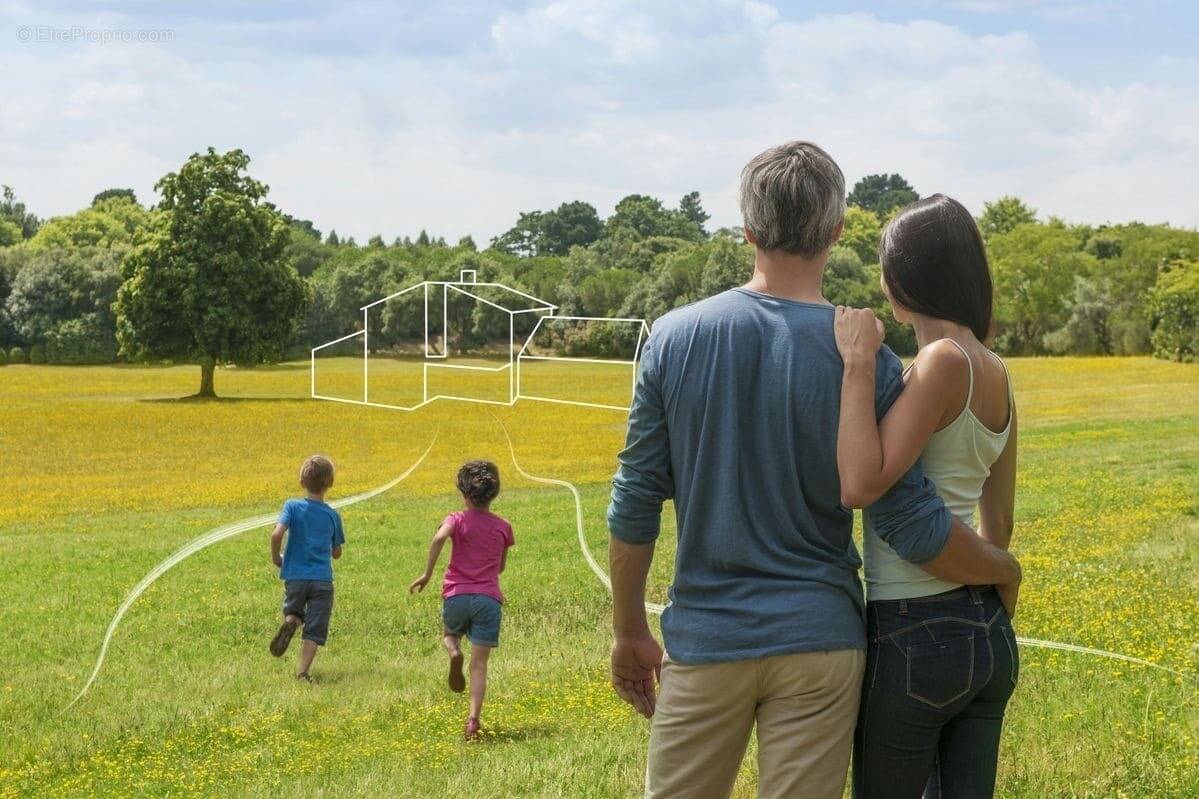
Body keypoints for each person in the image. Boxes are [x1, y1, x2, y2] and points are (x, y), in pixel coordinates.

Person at [606, 141, 1022, 799]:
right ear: (836, 232)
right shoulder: (870, 359)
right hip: (822, 643)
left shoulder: (672, 337)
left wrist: (629, 627)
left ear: (745, 230)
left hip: (706, 638)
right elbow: (907, 519)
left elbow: (632, 500)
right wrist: (1001, 567)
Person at [834, 194, 1019, 799]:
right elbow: (1001, 522)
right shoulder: (996, 370)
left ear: (903, 278)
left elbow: (864, 482)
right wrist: (993, 591)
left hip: (913, 628)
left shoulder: (940, 361)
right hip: (987, 631)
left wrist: (859, 363)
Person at [410, 460, 514, 741]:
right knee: (479, 665)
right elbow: (500, 567)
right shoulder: (504, 527)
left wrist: (427, 573)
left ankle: (453, 650)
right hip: (489, 600)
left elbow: (439, 538)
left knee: (449, 635)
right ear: (494, 493)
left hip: (456, 595)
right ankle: (473, 721)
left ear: (464, 493)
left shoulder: (455, 519)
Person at [268, 454, 345, 682]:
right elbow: (337, 552)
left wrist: (276, 557)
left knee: (295, 611)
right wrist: (332, 548)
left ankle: (292, 620)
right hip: (322, 580)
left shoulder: (291, 506)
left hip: (295, 577)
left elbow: (276, 533)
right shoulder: (332, 515)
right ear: (330, 483)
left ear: (302, 481)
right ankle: (302, 672)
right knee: (315, 628)